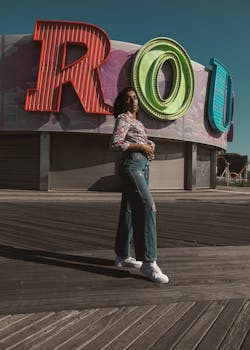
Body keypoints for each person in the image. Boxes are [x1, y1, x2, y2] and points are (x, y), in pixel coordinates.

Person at [110, 86, 169, 283]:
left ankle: (122, 254)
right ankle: (148, 262)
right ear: (123, 103)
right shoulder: (123, 118)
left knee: (128, 210)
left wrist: (149, 146)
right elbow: (116, 143)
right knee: (147, 207)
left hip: (142, 167)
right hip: (132, 166)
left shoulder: (138, 123)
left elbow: (139, 141)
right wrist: (142, 147)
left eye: (135, 98)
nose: (133, 101)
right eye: (128, 99)